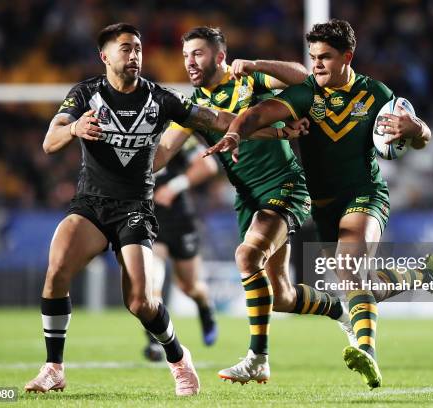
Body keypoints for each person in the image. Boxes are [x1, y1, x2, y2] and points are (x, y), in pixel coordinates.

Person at [23, 22, 304, 397]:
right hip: (90, 202)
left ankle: (178, 357)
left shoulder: (160, 98)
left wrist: (276, 132)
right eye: (125, 48)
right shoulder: (85, 94)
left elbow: (217, 120)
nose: (134, 54)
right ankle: (53, 368)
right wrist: (73, 130)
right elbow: (49, 141)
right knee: (56, 268)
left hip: (135, 208)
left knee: (140, 302)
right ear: (104, 56)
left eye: (138, 48)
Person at [205, 19, 433, 389]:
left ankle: (367, 352)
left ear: (347, 57)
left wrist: (415, 129)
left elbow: (421, 134)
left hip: (365, 194)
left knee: (348, 269)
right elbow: (259, 114)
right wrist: (234, 131)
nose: (317, 64)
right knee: (362, 283)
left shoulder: (375, 94)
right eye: (313, 57)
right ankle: (424, 274)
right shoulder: (306, 93)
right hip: (323, 206)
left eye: (325, 57)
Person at [154, 26, 360, 385]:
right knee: (280, 296)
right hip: (248, 198)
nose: (190, 61)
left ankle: (257, 359)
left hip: (286, 186)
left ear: (219, 56)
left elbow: (304, 77)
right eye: (186, 55)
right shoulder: (192, 108)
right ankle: (341, 309)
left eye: (198, 53)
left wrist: (253, 64)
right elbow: (163, 153)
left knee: (247, 257)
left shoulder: (248, 81)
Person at [144, 136, 219, 362]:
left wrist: (174, 187)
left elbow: (208, 165)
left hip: (178, 219)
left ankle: (206, 308)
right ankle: (155, 342)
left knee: (190, 286)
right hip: (148, 218)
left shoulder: (172, 135)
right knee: (152, 283)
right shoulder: (126, 131)